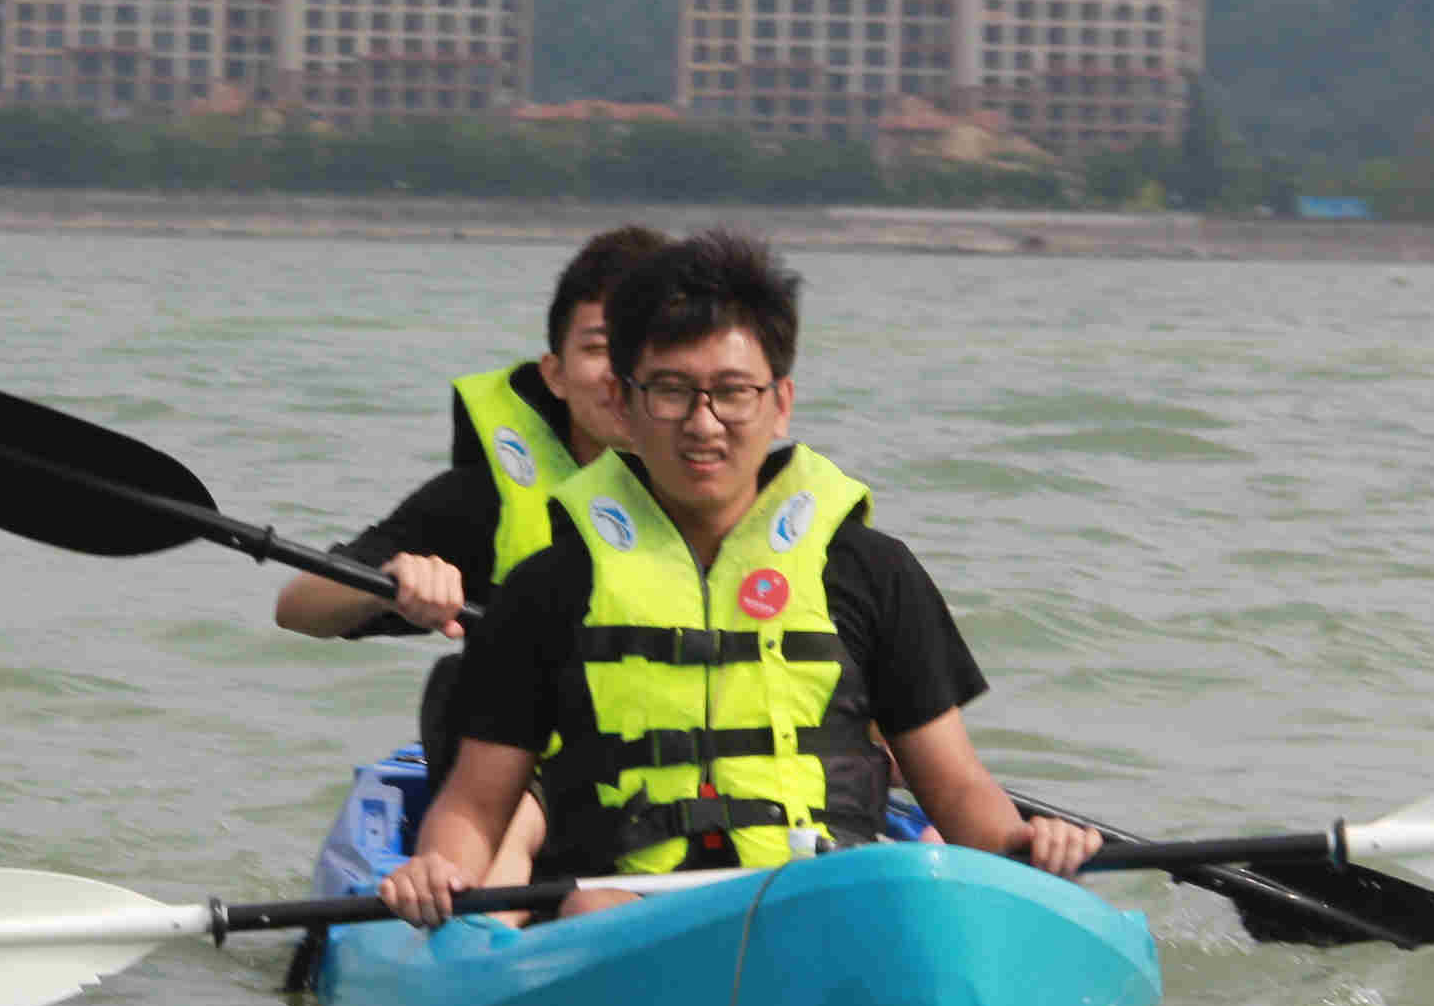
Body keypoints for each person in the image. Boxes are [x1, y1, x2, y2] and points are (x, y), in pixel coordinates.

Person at [378, 229, 1102, 926]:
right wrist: (438, 867)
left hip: (825, 899)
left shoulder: (873, 572)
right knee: (595, 907)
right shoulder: (548, 588)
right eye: (670, 392)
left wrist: (1024, 847)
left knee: (898, 893)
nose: (703, 424)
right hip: (621, 916)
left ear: (779, 403)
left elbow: (958, 786)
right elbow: (476, 805)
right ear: (625, 404)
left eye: (732, 392)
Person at [273, 224, 668, 894]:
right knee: (458, 685)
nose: (621, 374)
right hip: (523, 793)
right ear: (555, 372)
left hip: (681, 791)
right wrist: (391, 583)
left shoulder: (731, 502)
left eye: (647, 346)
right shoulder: (484, 499)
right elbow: (300, 607)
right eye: (600, 348)